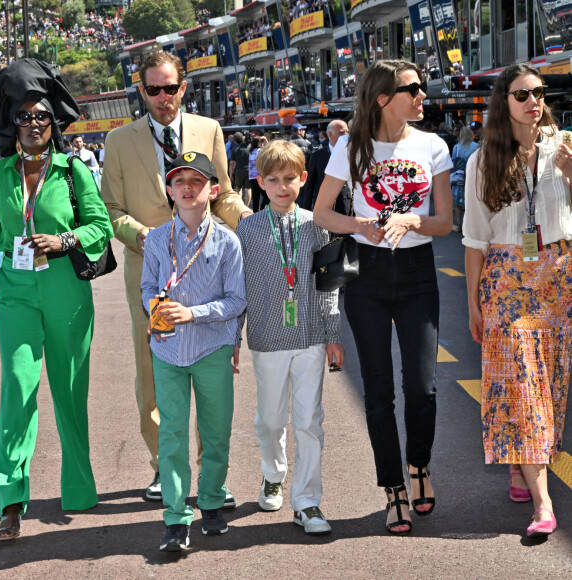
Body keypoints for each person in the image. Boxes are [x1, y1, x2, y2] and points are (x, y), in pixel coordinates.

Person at [101, 50, 250, 504]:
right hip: (148, 270)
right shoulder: (119, 140)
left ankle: (210, 476)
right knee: (151, 373)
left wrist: (253, 224)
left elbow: (224, 195)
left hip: (206, 269)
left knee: (211, 370)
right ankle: (163, 469)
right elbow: (112, 210)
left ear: (183, 87)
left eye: (171, 87)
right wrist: (141, 235)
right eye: (153, 89)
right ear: (141, 91)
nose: (163, 97)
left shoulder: (209, 130)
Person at [313, 59, 453, 535]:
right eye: (411, 89)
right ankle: (393, 488)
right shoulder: (351, 147)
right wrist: (362, 225)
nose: (421, 96)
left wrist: (411, 220)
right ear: (382, 98)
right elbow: (321, 214)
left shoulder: (433, 145)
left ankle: (419, 465)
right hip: (366, 276)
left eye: (421, 87)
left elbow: (444, 223)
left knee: (422, 387)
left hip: (417, 272)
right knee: (377, 390)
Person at [0, 58, 114, 541]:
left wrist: (63, 241)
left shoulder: (72, 170)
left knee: (69, 391)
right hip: (15, 293)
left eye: (41, 116)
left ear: (53, 123)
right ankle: (10, 499)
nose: (33, 124)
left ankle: (79, 491)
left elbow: (101, 226)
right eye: (24, 117)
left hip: (67, 289)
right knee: (17, 390)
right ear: (13, 124)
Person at [463, 63, 572, 538]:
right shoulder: (482, 160)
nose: (533, 101)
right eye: (522, 94)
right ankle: (544, 506)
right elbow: (473, 241)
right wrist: (472, 304)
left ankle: (521, 461)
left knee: (550, 382)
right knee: (524, 386)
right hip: (507, 279)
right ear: (502, 101)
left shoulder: (563, 149)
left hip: (559, 274)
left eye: (539, 93)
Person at [237, 140, 344, 535]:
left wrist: (333, 334)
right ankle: (273, 473)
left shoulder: (316, 225)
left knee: (310, 421)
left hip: (311, 335)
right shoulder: (246, 229)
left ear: (303, 179)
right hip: (266, 337)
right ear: (261, 182)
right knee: (270, 420)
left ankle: (308, 502)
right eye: (273, 180)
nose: (282, 187)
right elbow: (238, 289)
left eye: (289, 179)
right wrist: (234, 338)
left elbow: (329, 284)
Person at [141, 152, 246, 552]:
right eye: (179, 181)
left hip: (211, 348)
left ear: (213, 190)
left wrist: (193, 313)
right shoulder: (155, 238)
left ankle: (212, 501)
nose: (187, 188)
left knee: (215, 432)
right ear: (169, 190)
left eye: (196, 181)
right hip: (167, 349)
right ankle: (175, 517)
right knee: (171, 435)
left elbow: (236, 300)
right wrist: (157, 307)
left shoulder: (227, 241)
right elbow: (148, 286)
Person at [299, 119, 350, 213]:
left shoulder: (353, 154)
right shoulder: (317, 156)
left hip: (348, 209)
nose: (346, 135)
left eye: (348, 132)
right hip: (325, 208)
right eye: (342, 132)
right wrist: (306, 212)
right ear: (330, 134)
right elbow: (309, 186)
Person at [450, 126, 478, 232]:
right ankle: (469, 225)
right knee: (470, 201)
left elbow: (453, 161)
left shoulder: (456, 147)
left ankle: (459, 225)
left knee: (458, 202)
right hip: (472, 176)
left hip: (459, 176)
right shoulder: (476, 146)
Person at [248, 134, 268, 212]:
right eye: (261, 141)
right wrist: (266, 141)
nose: (262, 143)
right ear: (257, 143)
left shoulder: (250, 151)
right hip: (259, 176)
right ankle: (262, 210)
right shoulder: (260, 151)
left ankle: (255, 213)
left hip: (251, 177)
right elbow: (270, 150)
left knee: (255, 197)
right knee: (266, 196)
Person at [229, 131, 250, 205]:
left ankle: (240, 206)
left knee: (238, 189)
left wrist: (231, 175)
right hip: (248, 171)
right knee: (248, 189)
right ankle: (247, 206)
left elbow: (231, 163)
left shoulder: (234, 149)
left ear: (235, 140)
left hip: (239, 171)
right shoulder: (248, 147)